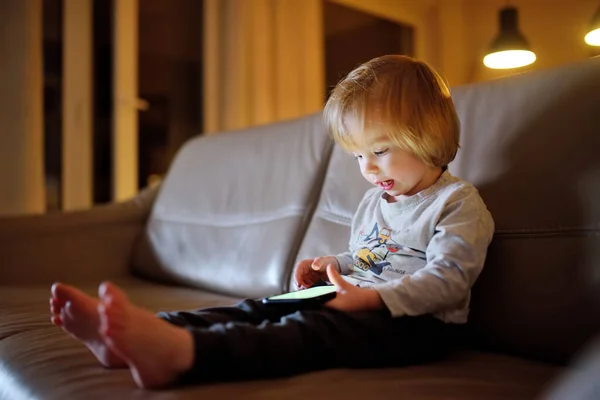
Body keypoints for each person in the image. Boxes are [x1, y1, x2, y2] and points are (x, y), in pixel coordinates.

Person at [49, 55, 494, 389]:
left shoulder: (456, 202)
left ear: (428, 135)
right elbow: (368, 257)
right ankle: (132, 335)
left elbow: (450, 279)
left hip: (416, 325)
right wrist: (331, 264)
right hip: (359, 300)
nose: (368, 169)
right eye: (358, 155)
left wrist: (372, 302)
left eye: (378, 151)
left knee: (305, 333)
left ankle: (184, 355)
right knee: (261, 308)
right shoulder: (377, 199)